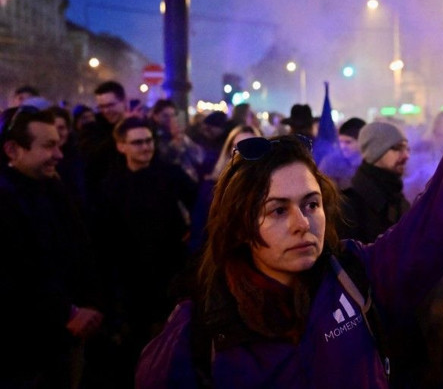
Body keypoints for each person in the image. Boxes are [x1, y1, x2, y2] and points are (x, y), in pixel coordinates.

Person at [135, 28, 443, 388]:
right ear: (240, 225)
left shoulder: (357, 278)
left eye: (311, 203)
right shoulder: (196, 337)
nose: (301, 223)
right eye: (277, 210)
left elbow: (442, 217)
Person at [0, 106, 104, 388]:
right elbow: (18, 276)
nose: (59, 154)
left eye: (59, 144)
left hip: (67, 339)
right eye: (48, 146)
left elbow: (80, 249)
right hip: (24, 352)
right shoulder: (6, 200)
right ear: (12, 150)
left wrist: (90, 304)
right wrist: (67, 313)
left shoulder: (54, 188)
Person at [95, 116, 196, 385]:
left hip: (171, 273)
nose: (145, 147)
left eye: (149, 141)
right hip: (131, 280)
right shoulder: (111, 185)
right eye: (137, 143)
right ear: (121, 146)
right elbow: (105, 236)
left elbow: (199, 205)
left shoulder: (170, 174)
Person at [188, 124, 263, 254]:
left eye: (250, 146)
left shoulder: (269, 187)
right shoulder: (211, 187)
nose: (243, 152)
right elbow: (198, 231)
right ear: (229, 151)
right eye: (238, 146)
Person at [338, 121, 411, 244]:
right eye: (397, 148)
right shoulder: (349, 205)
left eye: (407, 149)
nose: (406, 156)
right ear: (375, 151)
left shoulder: (398, 198)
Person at [150, 99, 204, 183]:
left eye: (173, 115)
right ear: (155, 116)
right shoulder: (152, 135)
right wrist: (175, 141)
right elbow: (164, 159)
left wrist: (182, 138)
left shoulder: (180, 134)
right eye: (165, 116)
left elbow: (199, 157)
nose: (170, 119)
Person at [318, 116, 366, 190]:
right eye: (340, 142)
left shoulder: (370, 161)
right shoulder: (331, 163)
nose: (343, 146)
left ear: (362, 142)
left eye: (348, 142)